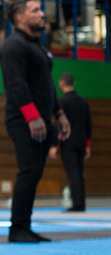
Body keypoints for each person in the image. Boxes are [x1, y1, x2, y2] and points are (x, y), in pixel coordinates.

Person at [0, 0, 70, 243]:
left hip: (42, 119)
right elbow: (15, 84)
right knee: (28, 171)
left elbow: (47, 85)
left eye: (41, 9)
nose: (42, 14)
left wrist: (59, 114)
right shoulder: (13, 46)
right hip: (23, 120)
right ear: (20, 17)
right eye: (35, 10)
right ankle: (17, 228)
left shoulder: (39, 47)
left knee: (34, 173)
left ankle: (25, 226)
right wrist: (32, 117)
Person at [50, 73, 91, 213]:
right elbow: (88, 124)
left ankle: (77, 204)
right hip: (81, 141)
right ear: (73, 83)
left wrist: (54, 144)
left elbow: (59, 124)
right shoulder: (83, 102)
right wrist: (88, 144)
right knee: (79, 172)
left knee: (73, 172)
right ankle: (81, 202)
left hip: (68, 141)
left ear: (62, 83)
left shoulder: (63, 103)